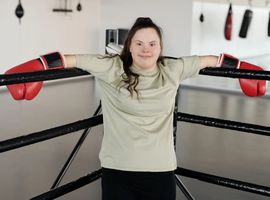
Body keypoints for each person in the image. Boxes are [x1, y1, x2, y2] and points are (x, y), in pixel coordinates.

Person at [4, 17, 266, 200]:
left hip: (161, 172)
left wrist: (243, 69)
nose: (146, 49)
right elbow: (66, 58)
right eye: (139, 43)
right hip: (118, 172)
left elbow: (215, 59)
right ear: (129, 46)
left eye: (152, 43)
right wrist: (37, 64)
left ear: (161, 48)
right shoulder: (111, 67)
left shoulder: (173, 69)